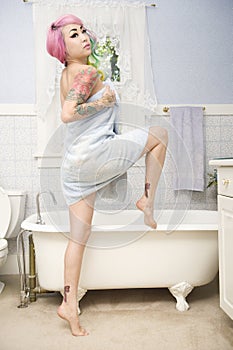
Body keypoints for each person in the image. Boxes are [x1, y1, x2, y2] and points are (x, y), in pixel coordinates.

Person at [46, 14, 168, 337]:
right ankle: (147, 200)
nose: (84, 36)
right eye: (74, 34)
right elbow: (68, 114)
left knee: (77, 239)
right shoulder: (86, 73)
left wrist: (86, 43)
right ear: (62, 47)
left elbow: (71, 106)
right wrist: (103, 101)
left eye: (84, 30)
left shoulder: (67, 73)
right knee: (160, 135)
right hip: (94, 156)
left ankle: (69, 305)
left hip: (74, 167)